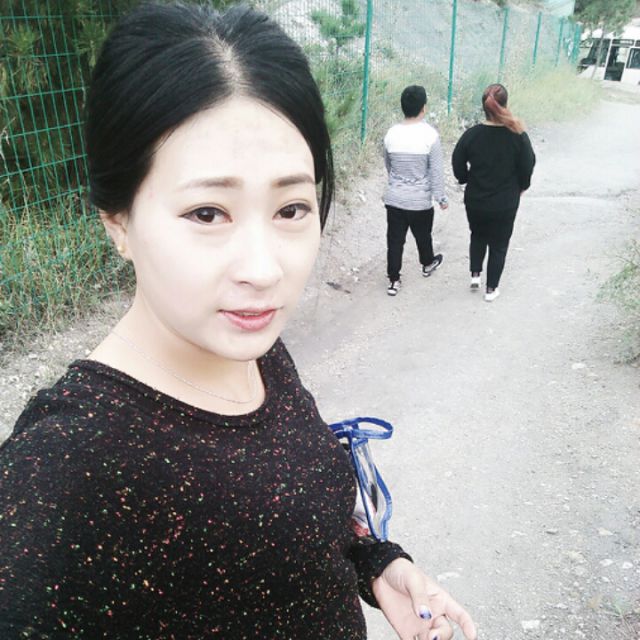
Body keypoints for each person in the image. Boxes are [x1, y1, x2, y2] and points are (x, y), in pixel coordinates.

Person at [0, 4, 477, 640]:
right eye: (207, 213)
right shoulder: (66, 467)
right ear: (118, 222)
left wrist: (376, 565)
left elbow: (289, 516)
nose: (263, 270)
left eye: (291, 208)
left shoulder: (254, 350)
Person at [452, 83, 536, 302]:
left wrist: (465, 178)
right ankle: (491, 289)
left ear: (484, 107)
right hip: (505, 201)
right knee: (499, 244)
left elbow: (457, 160)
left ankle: (475, 274)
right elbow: (528, 164)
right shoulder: (518, 135)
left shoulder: (472, 134)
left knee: (477, 234)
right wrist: (522, 186)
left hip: (476, 199)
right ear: (505, 104)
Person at [382, 85, 449, 297]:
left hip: (395, 198)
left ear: (403, 106)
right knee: (423, 235)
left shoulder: (391, 134)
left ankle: (394, 280)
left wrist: (398, 182)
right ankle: (427, 264)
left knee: (395, 241)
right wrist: (441, 198)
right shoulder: (430, 135)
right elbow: (436, 171)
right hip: (420, 201)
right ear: (423, 108)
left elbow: (388, 164)